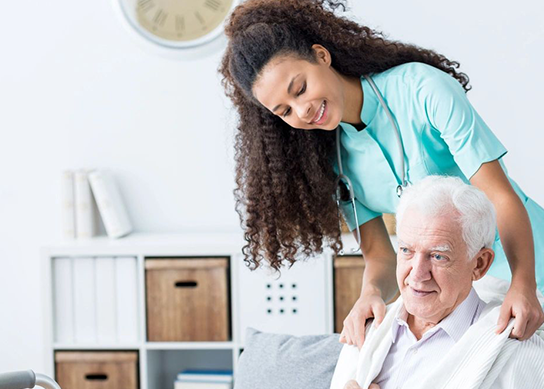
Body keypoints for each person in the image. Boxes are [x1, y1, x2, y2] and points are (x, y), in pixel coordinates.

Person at [219, 0, 544, 344]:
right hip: (455, 295)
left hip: (527, 261)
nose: (303, 110)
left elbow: (499, 196)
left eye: (299, 88)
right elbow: (379, 255)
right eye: (285, 110)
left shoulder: (422, 89)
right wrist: (370, 294)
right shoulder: (333, 162)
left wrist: (524, 285)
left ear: (321, 55)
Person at [297, 176, 544, 389]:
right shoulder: (366, 336)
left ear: (479, 264)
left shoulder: (515, 355)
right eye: (407, 251)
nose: (417, 274)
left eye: (438, 256)